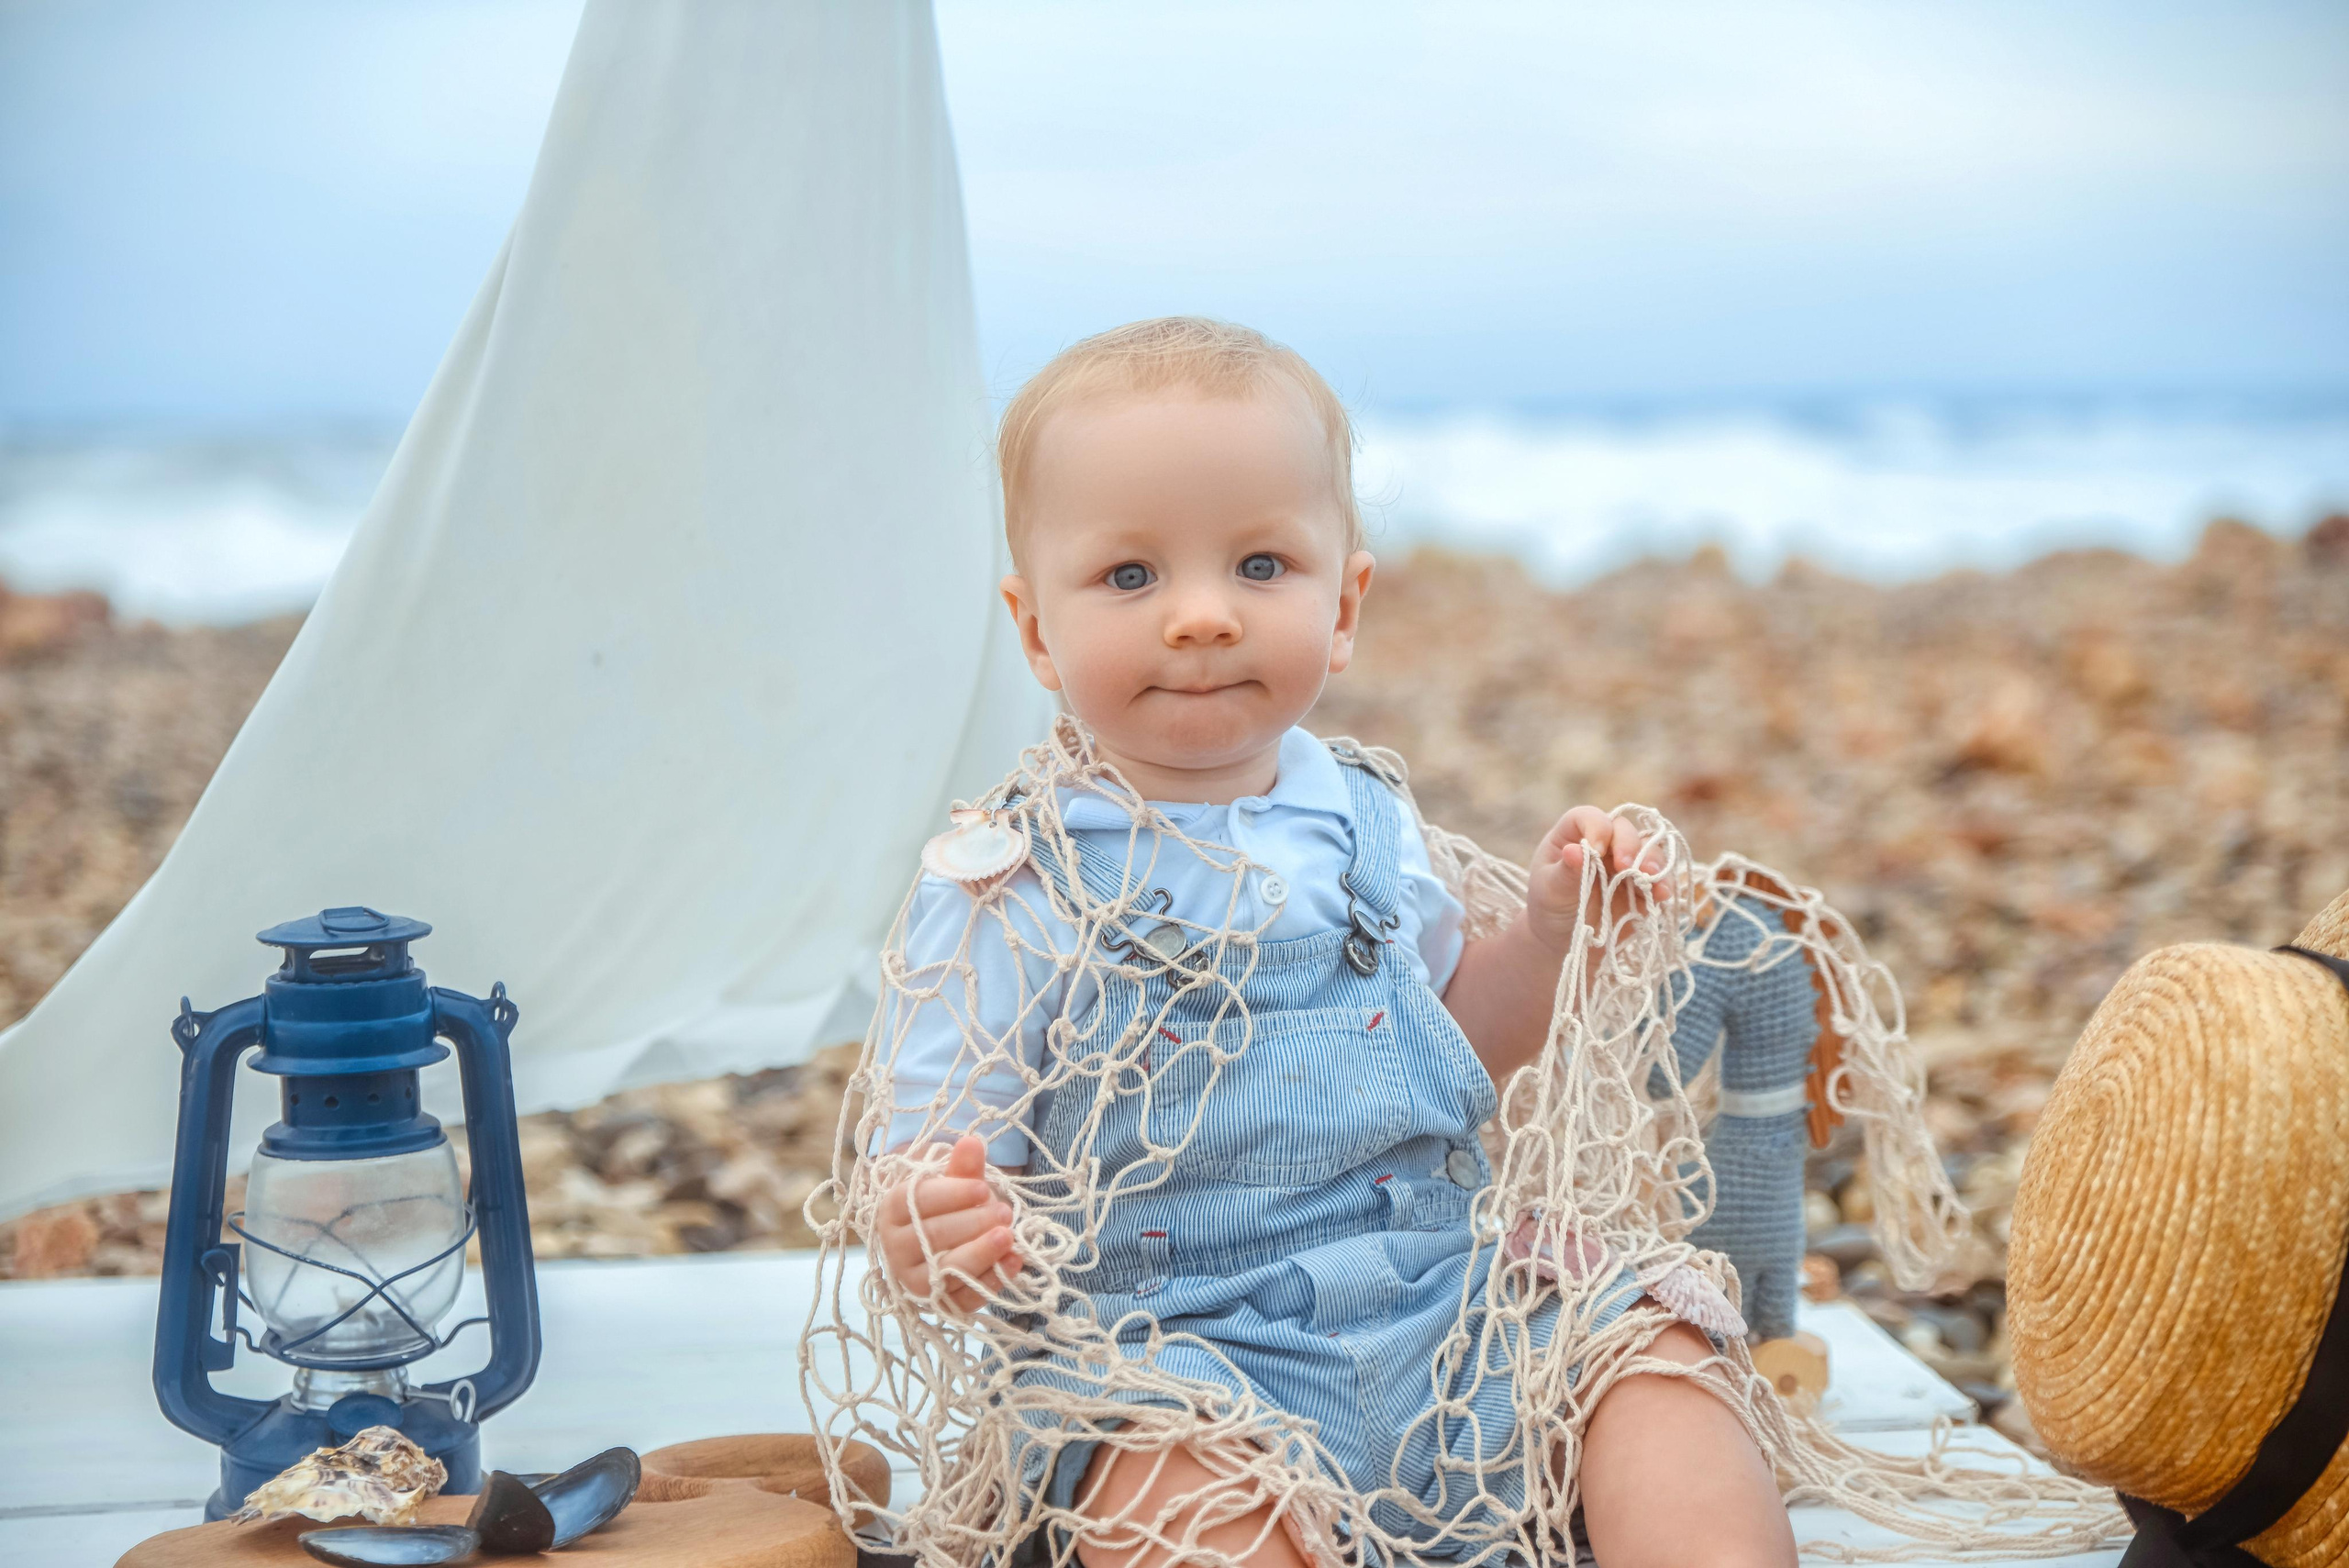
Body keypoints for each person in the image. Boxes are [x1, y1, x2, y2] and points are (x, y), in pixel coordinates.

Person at [868, 317, 1795, 1568]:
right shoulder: (1010, 880)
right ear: (1035, 631)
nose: (1201, 616)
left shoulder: (1364, 819)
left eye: (1260, 564)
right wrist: (933, 1222)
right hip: (1163, 1359)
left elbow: (1456, 1040)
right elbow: (926, 1160)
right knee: (1175, 1506)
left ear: (1343, 601)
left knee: (1658, 1360)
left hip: (1439, 1310)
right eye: (1131, 578)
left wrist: (1549, 932)